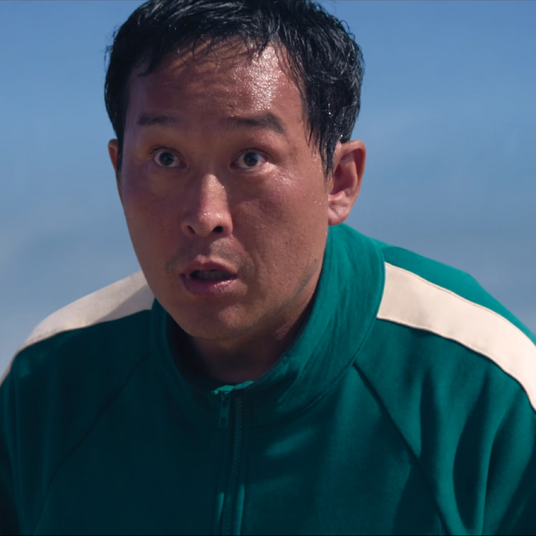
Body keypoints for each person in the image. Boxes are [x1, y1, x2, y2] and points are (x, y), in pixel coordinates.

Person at [1, 0, 535, 533]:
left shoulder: (488, 390)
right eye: (166, 158)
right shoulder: (45, 388)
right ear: (119, 173)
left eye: (250, 158)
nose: (204, 216)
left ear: (339, 181)